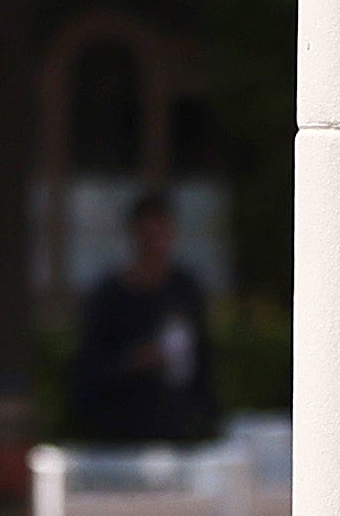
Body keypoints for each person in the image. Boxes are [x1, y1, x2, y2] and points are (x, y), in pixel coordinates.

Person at [67, 191, 224, 448]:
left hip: (178, 431)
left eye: (162, 234)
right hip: (123, 432)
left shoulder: (185, 290)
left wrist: (206, 418)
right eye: (149, 236)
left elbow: (203, 361)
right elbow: (87, 369)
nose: (156, 245)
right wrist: (134, 361)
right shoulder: (110, 296)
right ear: (135, 236)